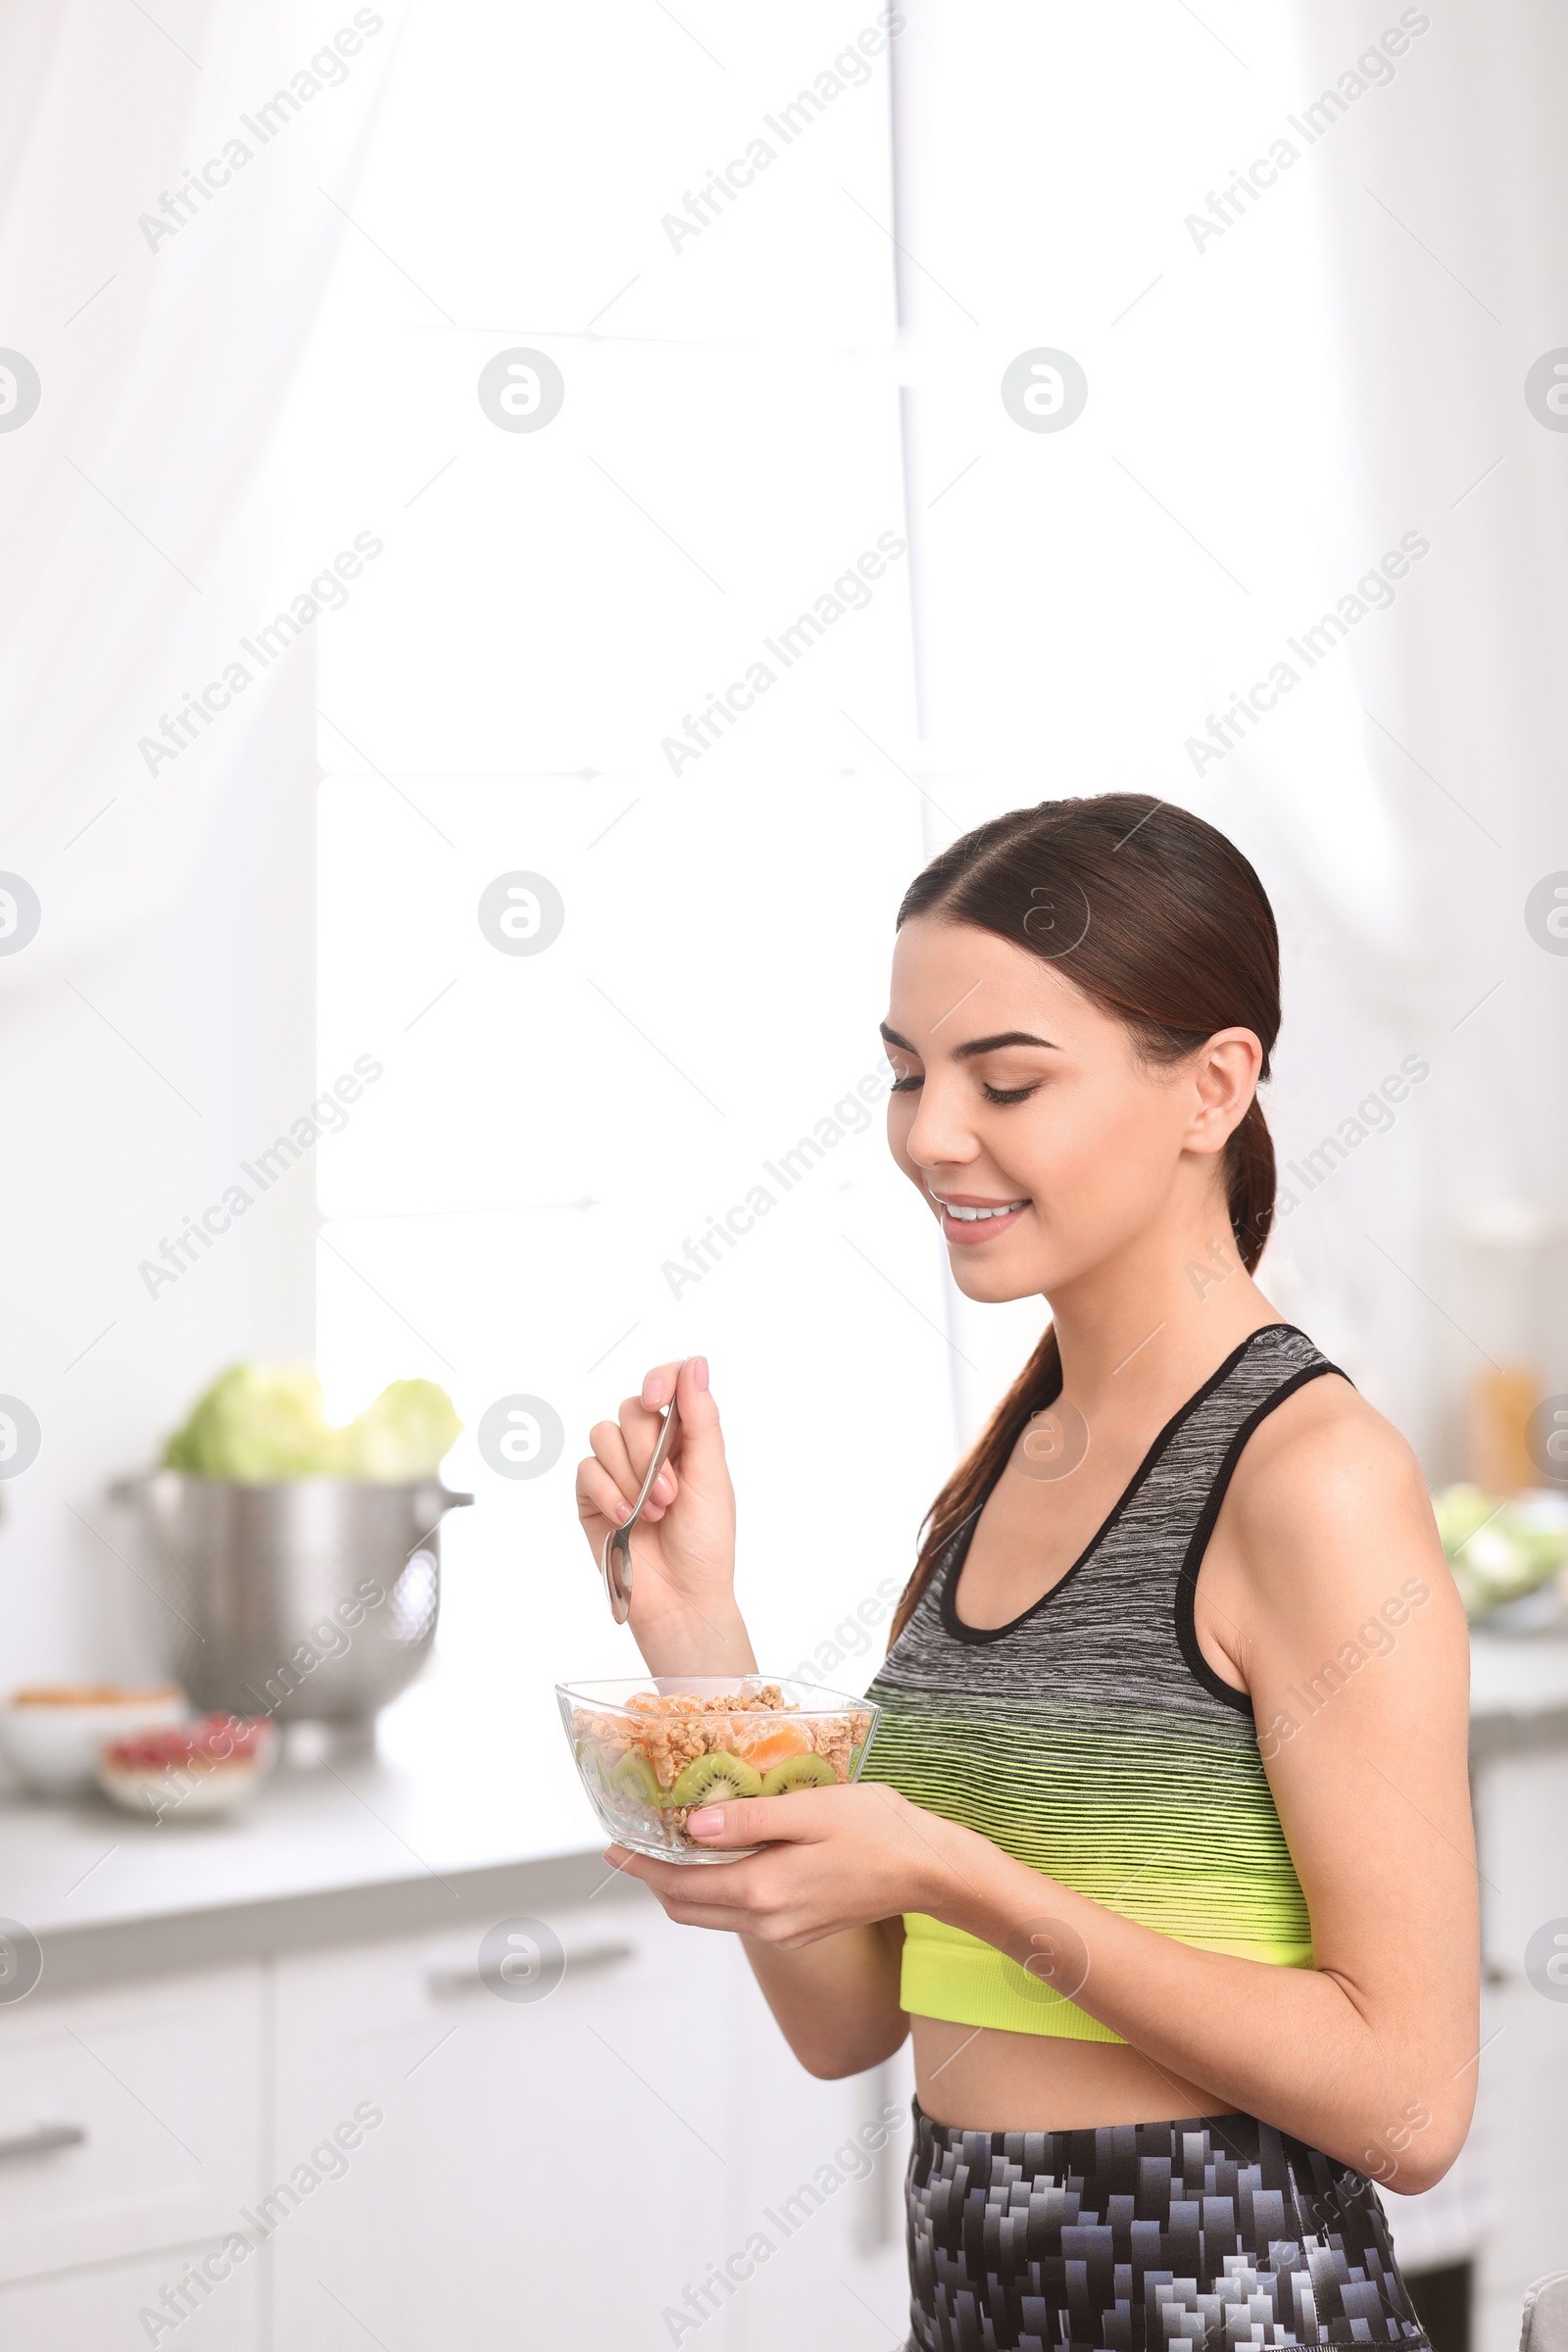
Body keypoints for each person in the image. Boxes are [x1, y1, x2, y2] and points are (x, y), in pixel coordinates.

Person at [575, 794, 1477, 2352]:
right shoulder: (1017, 1455)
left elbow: (1409, 2102)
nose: (931, 1134)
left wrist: (956, 1872)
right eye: (908, 1075)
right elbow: (854, 2025)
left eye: (1005, 1080)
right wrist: (698, 1645)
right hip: (981, 2303)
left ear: (1213, 1087)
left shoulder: (1309, 1478)